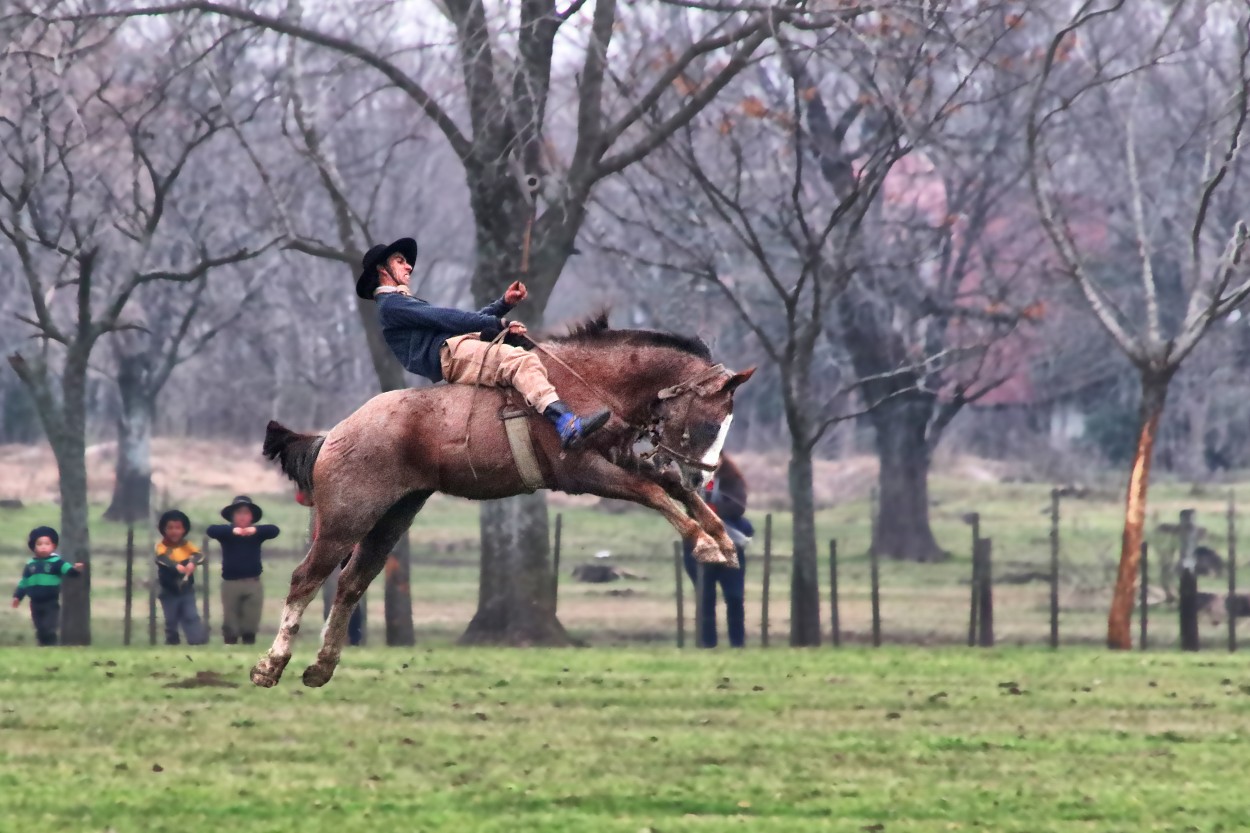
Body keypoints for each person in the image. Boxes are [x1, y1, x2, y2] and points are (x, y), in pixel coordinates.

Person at [356, 237, 611, 449]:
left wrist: (503, 305)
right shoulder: (392, 305)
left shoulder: (399, 303)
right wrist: (498, 324)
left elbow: (461, 321)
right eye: (400, 261)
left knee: (526, 349)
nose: (409, 266)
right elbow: (447, 319)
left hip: (457, 346)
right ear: (382, 270)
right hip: (450, 354)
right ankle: (565, 424)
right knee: (518, 360)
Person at [683, 456, 753, 648]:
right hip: (700, 545)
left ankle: (737, 644)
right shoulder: (692, 479)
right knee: (705, 597)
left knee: (734, 596)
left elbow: (738, 507)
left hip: (730, 547)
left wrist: (713, 509)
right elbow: (688, 507)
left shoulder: (732, 479)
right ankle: (707, 643)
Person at [206, 495, 279, 645]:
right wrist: (234, 531)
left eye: (246, 513)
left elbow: (274, 530)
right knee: (230, 621)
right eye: (238, 513)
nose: (242, 516)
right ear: (232, 516)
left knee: (251, 621)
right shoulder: (226, 534)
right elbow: (211, 530)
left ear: (252, 516)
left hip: (253, 583)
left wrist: (255, 531)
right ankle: (230, 647)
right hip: (230, 583)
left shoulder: (257, 534)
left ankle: (248, 645)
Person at [10, 526, 84, 646]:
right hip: (35, 602)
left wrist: (76, 570)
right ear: (34, 547)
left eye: (47, 543)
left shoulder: (56, 562)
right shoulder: (30, 565)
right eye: (39, 544)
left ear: (53, 546)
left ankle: (51, 644)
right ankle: (43, 645)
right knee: (39, 627)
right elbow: (24, 582)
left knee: (49, 626)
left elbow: (68, 570)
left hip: (50, 602)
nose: (43, 547)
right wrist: (17, 596)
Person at [155, 509, 207, 646]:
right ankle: (172, 643)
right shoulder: (162, 547)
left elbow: (199, 555)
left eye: (178, 528)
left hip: (186, 589)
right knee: (171, 620)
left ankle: (196, 642)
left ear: (184, 530)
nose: (174, 531)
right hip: (168, 591)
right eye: (170, 528)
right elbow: (161, 559)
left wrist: (192, 563)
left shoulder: (187, 545)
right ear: (164, 530)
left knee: (191, 616)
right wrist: (176, 567)